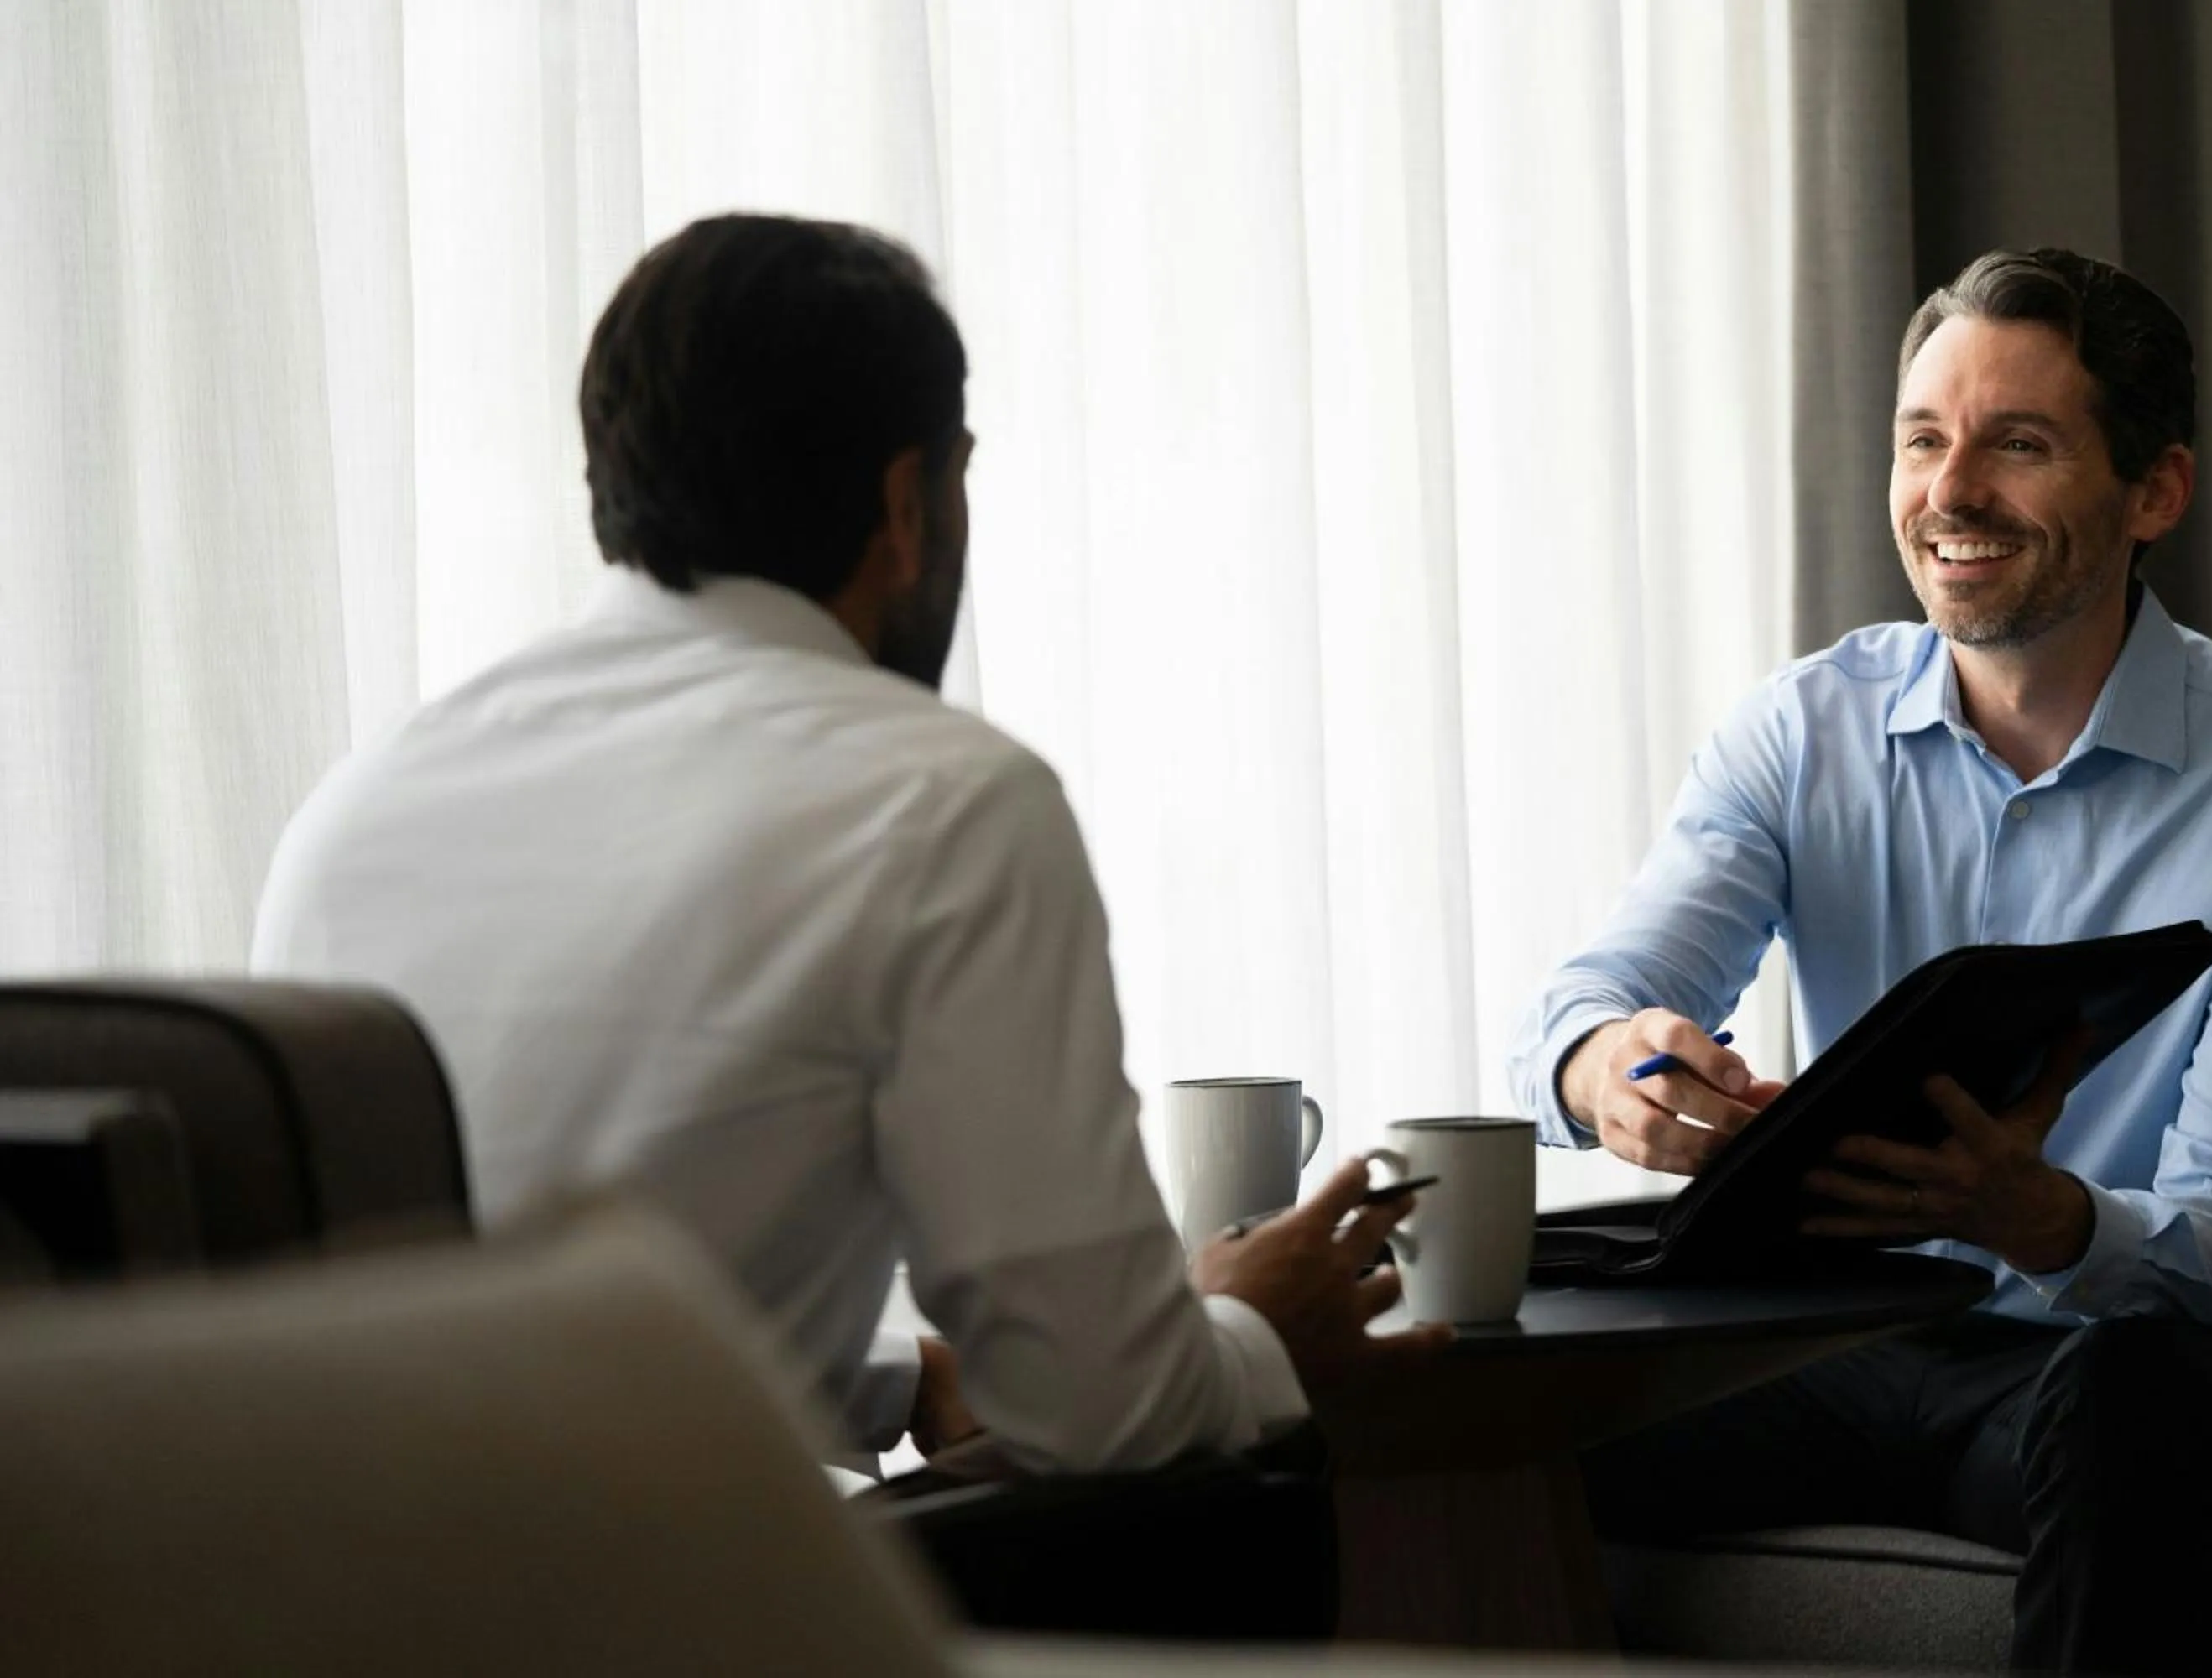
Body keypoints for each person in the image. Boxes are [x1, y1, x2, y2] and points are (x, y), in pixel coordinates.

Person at [253, 213, 1446, 1478]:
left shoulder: (356, 805)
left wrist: (896, 1379)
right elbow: (1107, 1409)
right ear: (905, 505)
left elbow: (517, 1316)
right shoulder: (944, 804)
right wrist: (1260, 1333)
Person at [1505, 248, 2212, 1676]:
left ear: (2155, 490)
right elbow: (1585, 1004)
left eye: (2017, 445)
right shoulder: (1799, 732)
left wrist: (2041, 1217)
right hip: (1822, 1351)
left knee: (2142, 1401)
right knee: (1454, 1392)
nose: (1950, 492)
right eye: (1925, 440)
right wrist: (1610, 1067)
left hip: (2094, 1371)